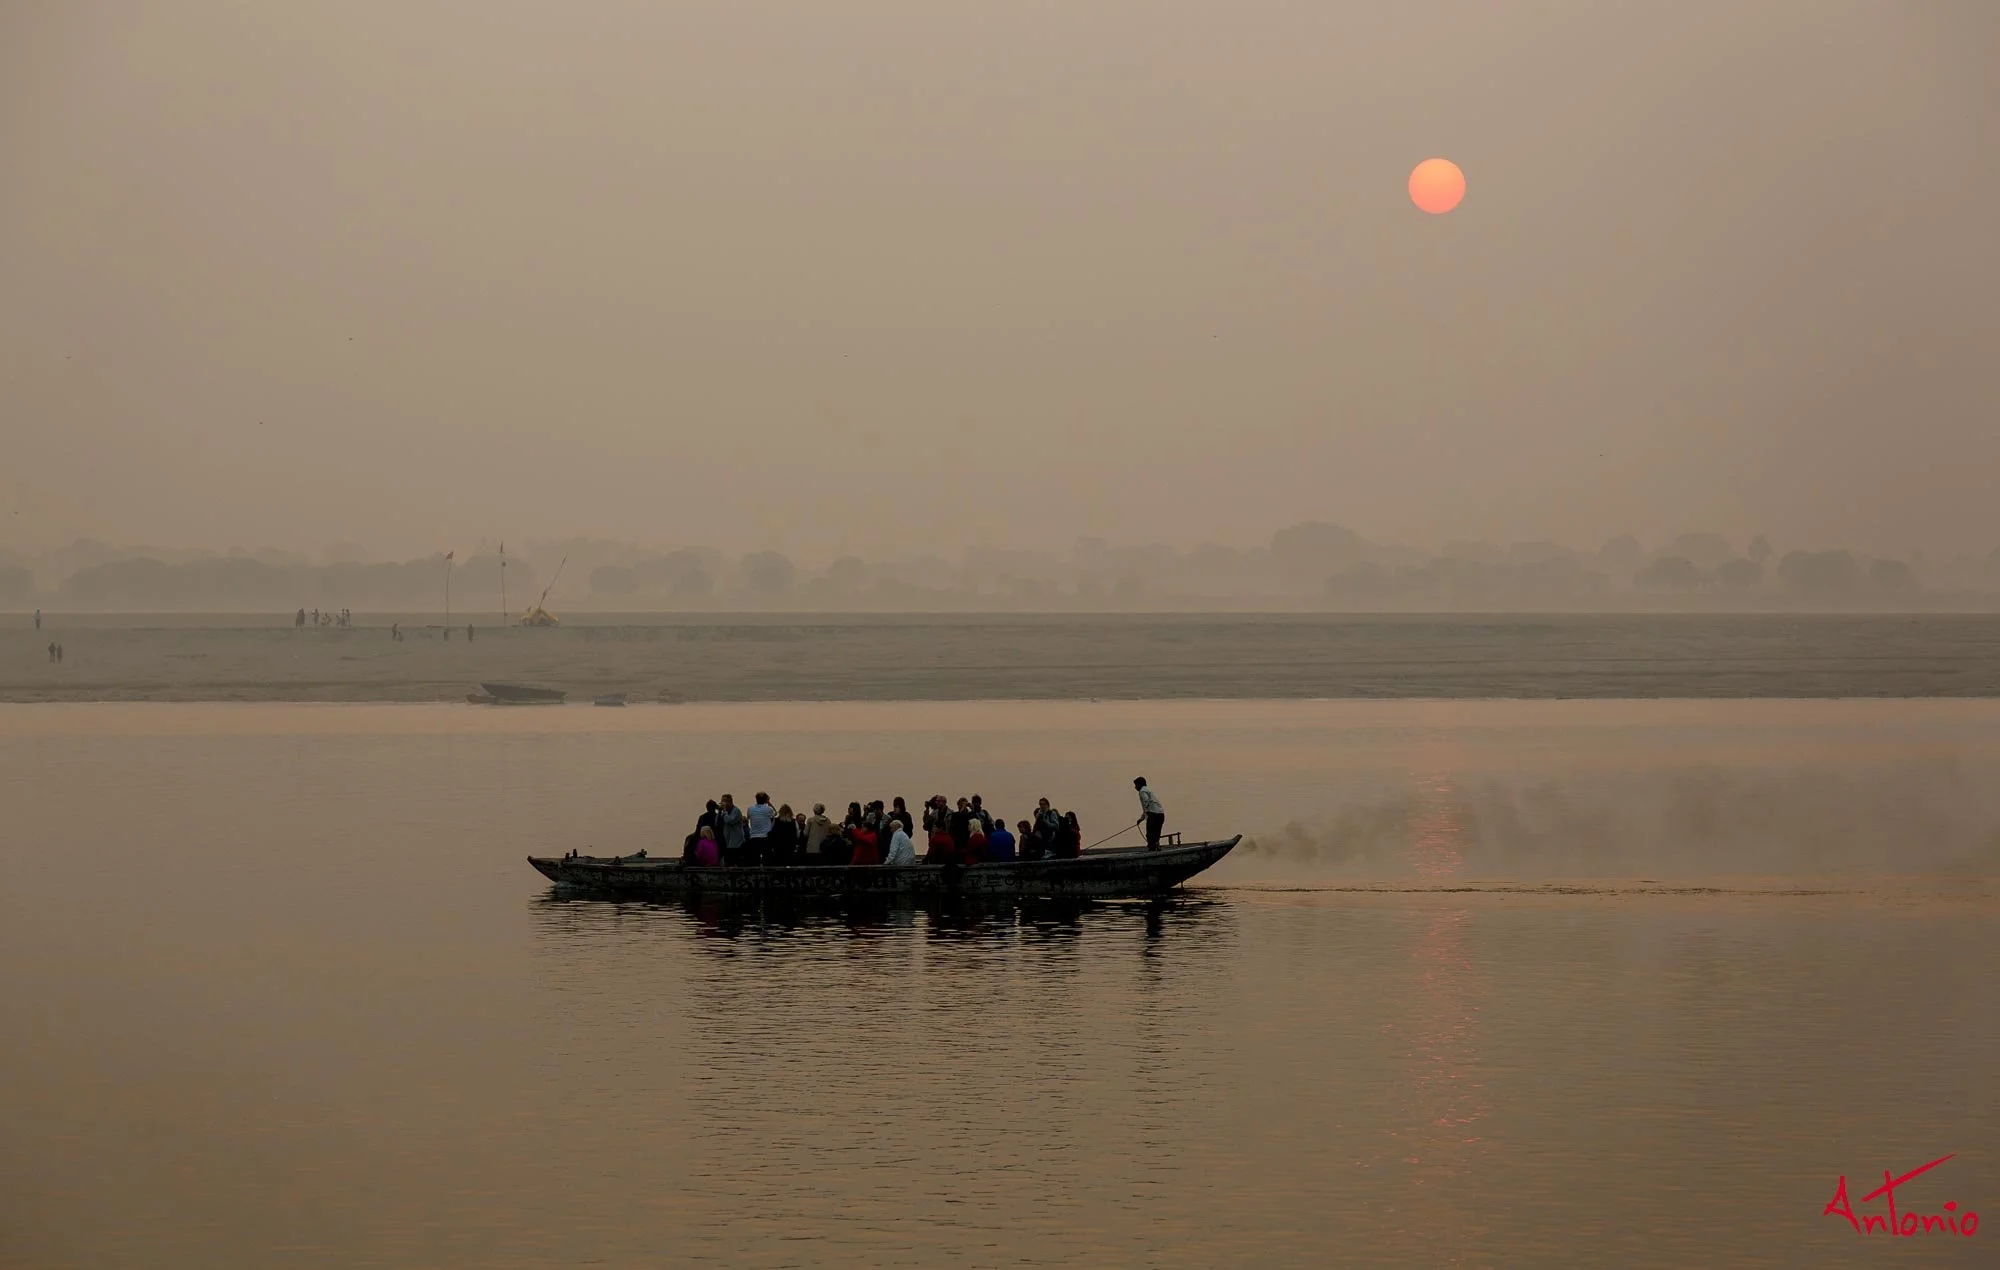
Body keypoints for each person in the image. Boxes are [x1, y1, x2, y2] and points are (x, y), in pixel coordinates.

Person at [1134, 776, 1167, 848]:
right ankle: (1156, 846)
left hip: (1153, 815)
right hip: (1161, 814)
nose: (1135, 787)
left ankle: (1152, 847)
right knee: (1156, 834)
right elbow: (1148, 806)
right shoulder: (1149, 791)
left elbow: (1146, 804)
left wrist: (1144, 817)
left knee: (1150, 834)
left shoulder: (1142, 792)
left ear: (1139, 785)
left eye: (1136, 785)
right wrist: (1142, 818)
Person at [716, 794, 748, 867]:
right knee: (728, 862)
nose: (722, 803)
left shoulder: (736, 811)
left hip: (736, 841)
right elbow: (717, 823)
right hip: (727, 841)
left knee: (735, 862)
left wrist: (724, 811)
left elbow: (729, 820)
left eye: (723, 801)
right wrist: (719, 812)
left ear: (729, 802)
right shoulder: (724, 813)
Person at [747, 792, 777, 863]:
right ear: (765, 800)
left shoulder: (750, 809)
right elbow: (775, 813)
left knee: (755, 858)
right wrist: (768, 802)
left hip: (754, 836)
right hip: (765, 836)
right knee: (767, 858)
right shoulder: (769, 809)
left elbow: (748, 817)